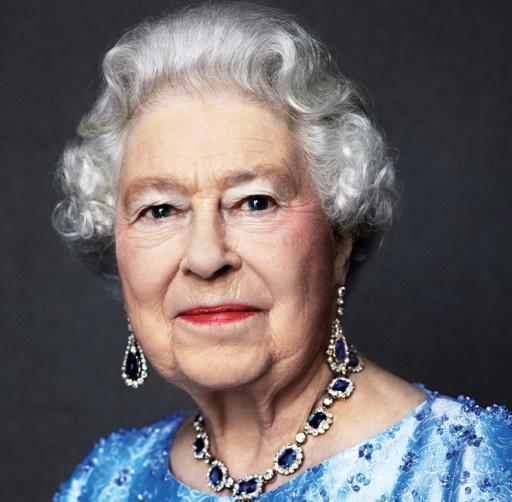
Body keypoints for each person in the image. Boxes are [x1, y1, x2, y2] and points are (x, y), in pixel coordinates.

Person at [52, 2, 511, 500]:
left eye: (255, 202)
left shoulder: (472, 467)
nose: (206, 258)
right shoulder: (101, 484)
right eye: (160, 210)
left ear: (340, 239)